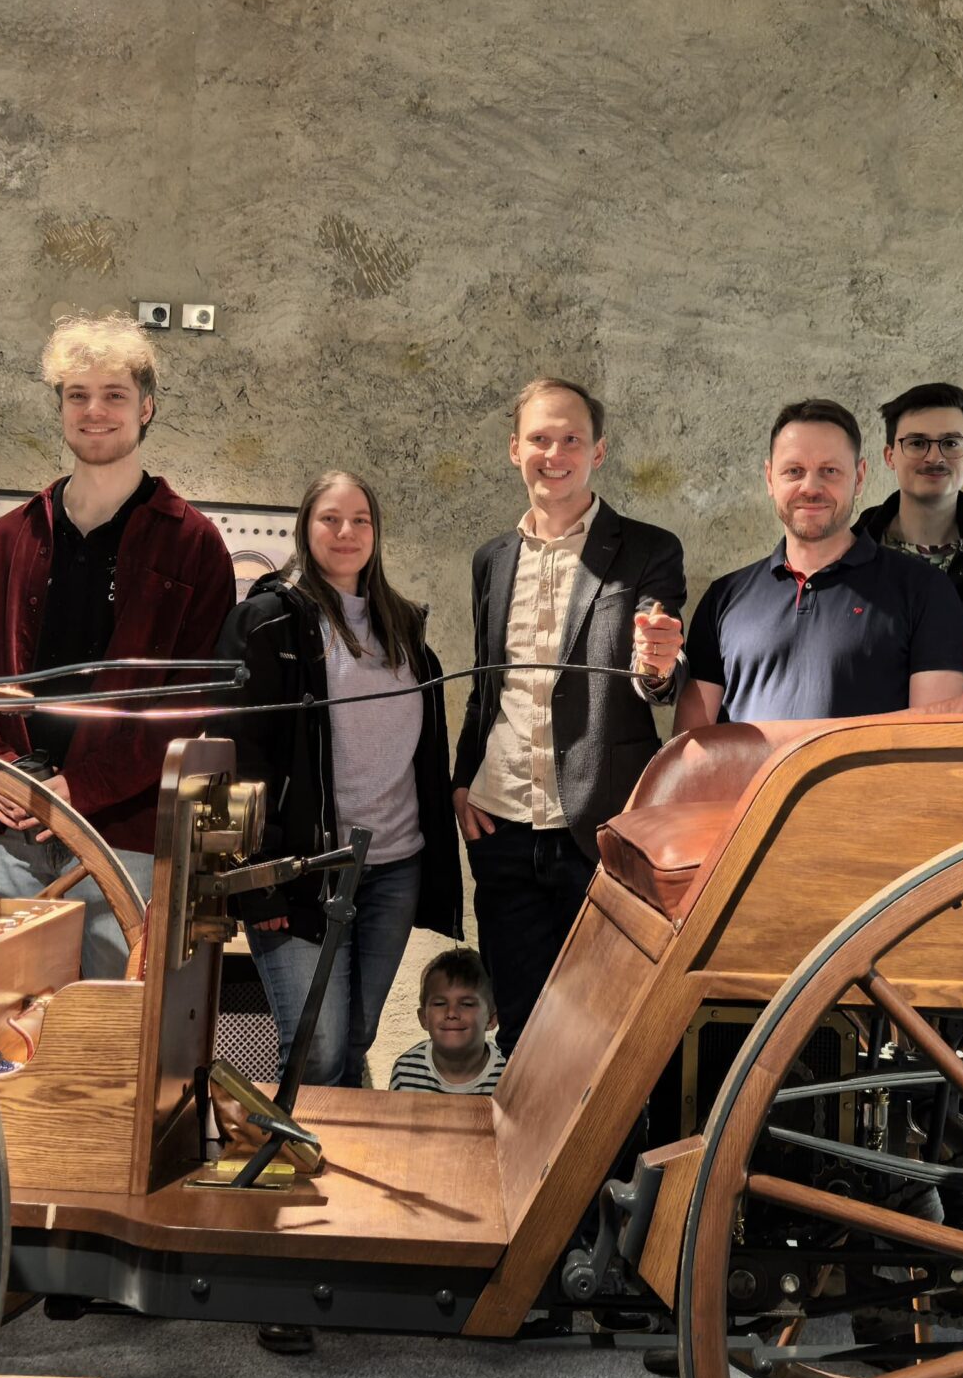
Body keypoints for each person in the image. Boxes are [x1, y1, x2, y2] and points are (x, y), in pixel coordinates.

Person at [0, 316, 234, 981]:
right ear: (60, 409)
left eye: (114, 394)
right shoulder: (6, 538)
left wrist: (82, 786)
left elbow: (190, 705)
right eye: (77, 395)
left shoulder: (194, 545)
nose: (94, 411)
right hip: (6, 831)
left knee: (106, 1032)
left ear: (147, 408)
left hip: (123, 836)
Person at [451, 379, 686, 1052]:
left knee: (611, 1033)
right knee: (523, 1029)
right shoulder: (491, 560)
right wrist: (463, 779)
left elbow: (655, 674)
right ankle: (531, 1161)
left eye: (571, 439)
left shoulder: (647, 550)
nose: (554, 452)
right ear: (514, 448)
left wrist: (658, 663)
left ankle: (608, 1163)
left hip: (602, 832)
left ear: (599, 451)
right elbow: (484, 686)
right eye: (540, 438)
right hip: (503, 831)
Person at [217, 471, 464, 1088]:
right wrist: (259, 881)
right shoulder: (268, 624)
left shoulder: (407, 634)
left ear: (377, 533)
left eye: (361, 520)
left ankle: (340, 1177)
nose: (346, 532)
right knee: (315, 1050)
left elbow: (423, 756)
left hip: (393, 867)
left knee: (356, 1040)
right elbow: (238, 755)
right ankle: (293, 1171)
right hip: (301, 870)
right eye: (331, 518)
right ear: (306, 527)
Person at [637, 400, 963, 731]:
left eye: (829, 471)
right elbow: (693, 747)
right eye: (794, 471)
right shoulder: (722, 599)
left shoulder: (925, 591)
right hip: (747, 788)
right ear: (770, 479)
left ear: (859, 477)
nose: (810, 488)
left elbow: (934, 745)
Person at [853, 382, 963, 622]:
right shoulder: (846, 558)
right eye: (917, 443)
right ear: (890, 456)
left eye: (950, 443)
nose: (935, 457)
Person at [388, 948, 506, 1095]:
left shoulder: (508, 1074)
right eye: (439, 1003)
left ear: (492, 1019)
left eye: (467, 1004)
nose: (451, 1013)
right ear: (424, 1018)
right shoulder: (405, 1071)